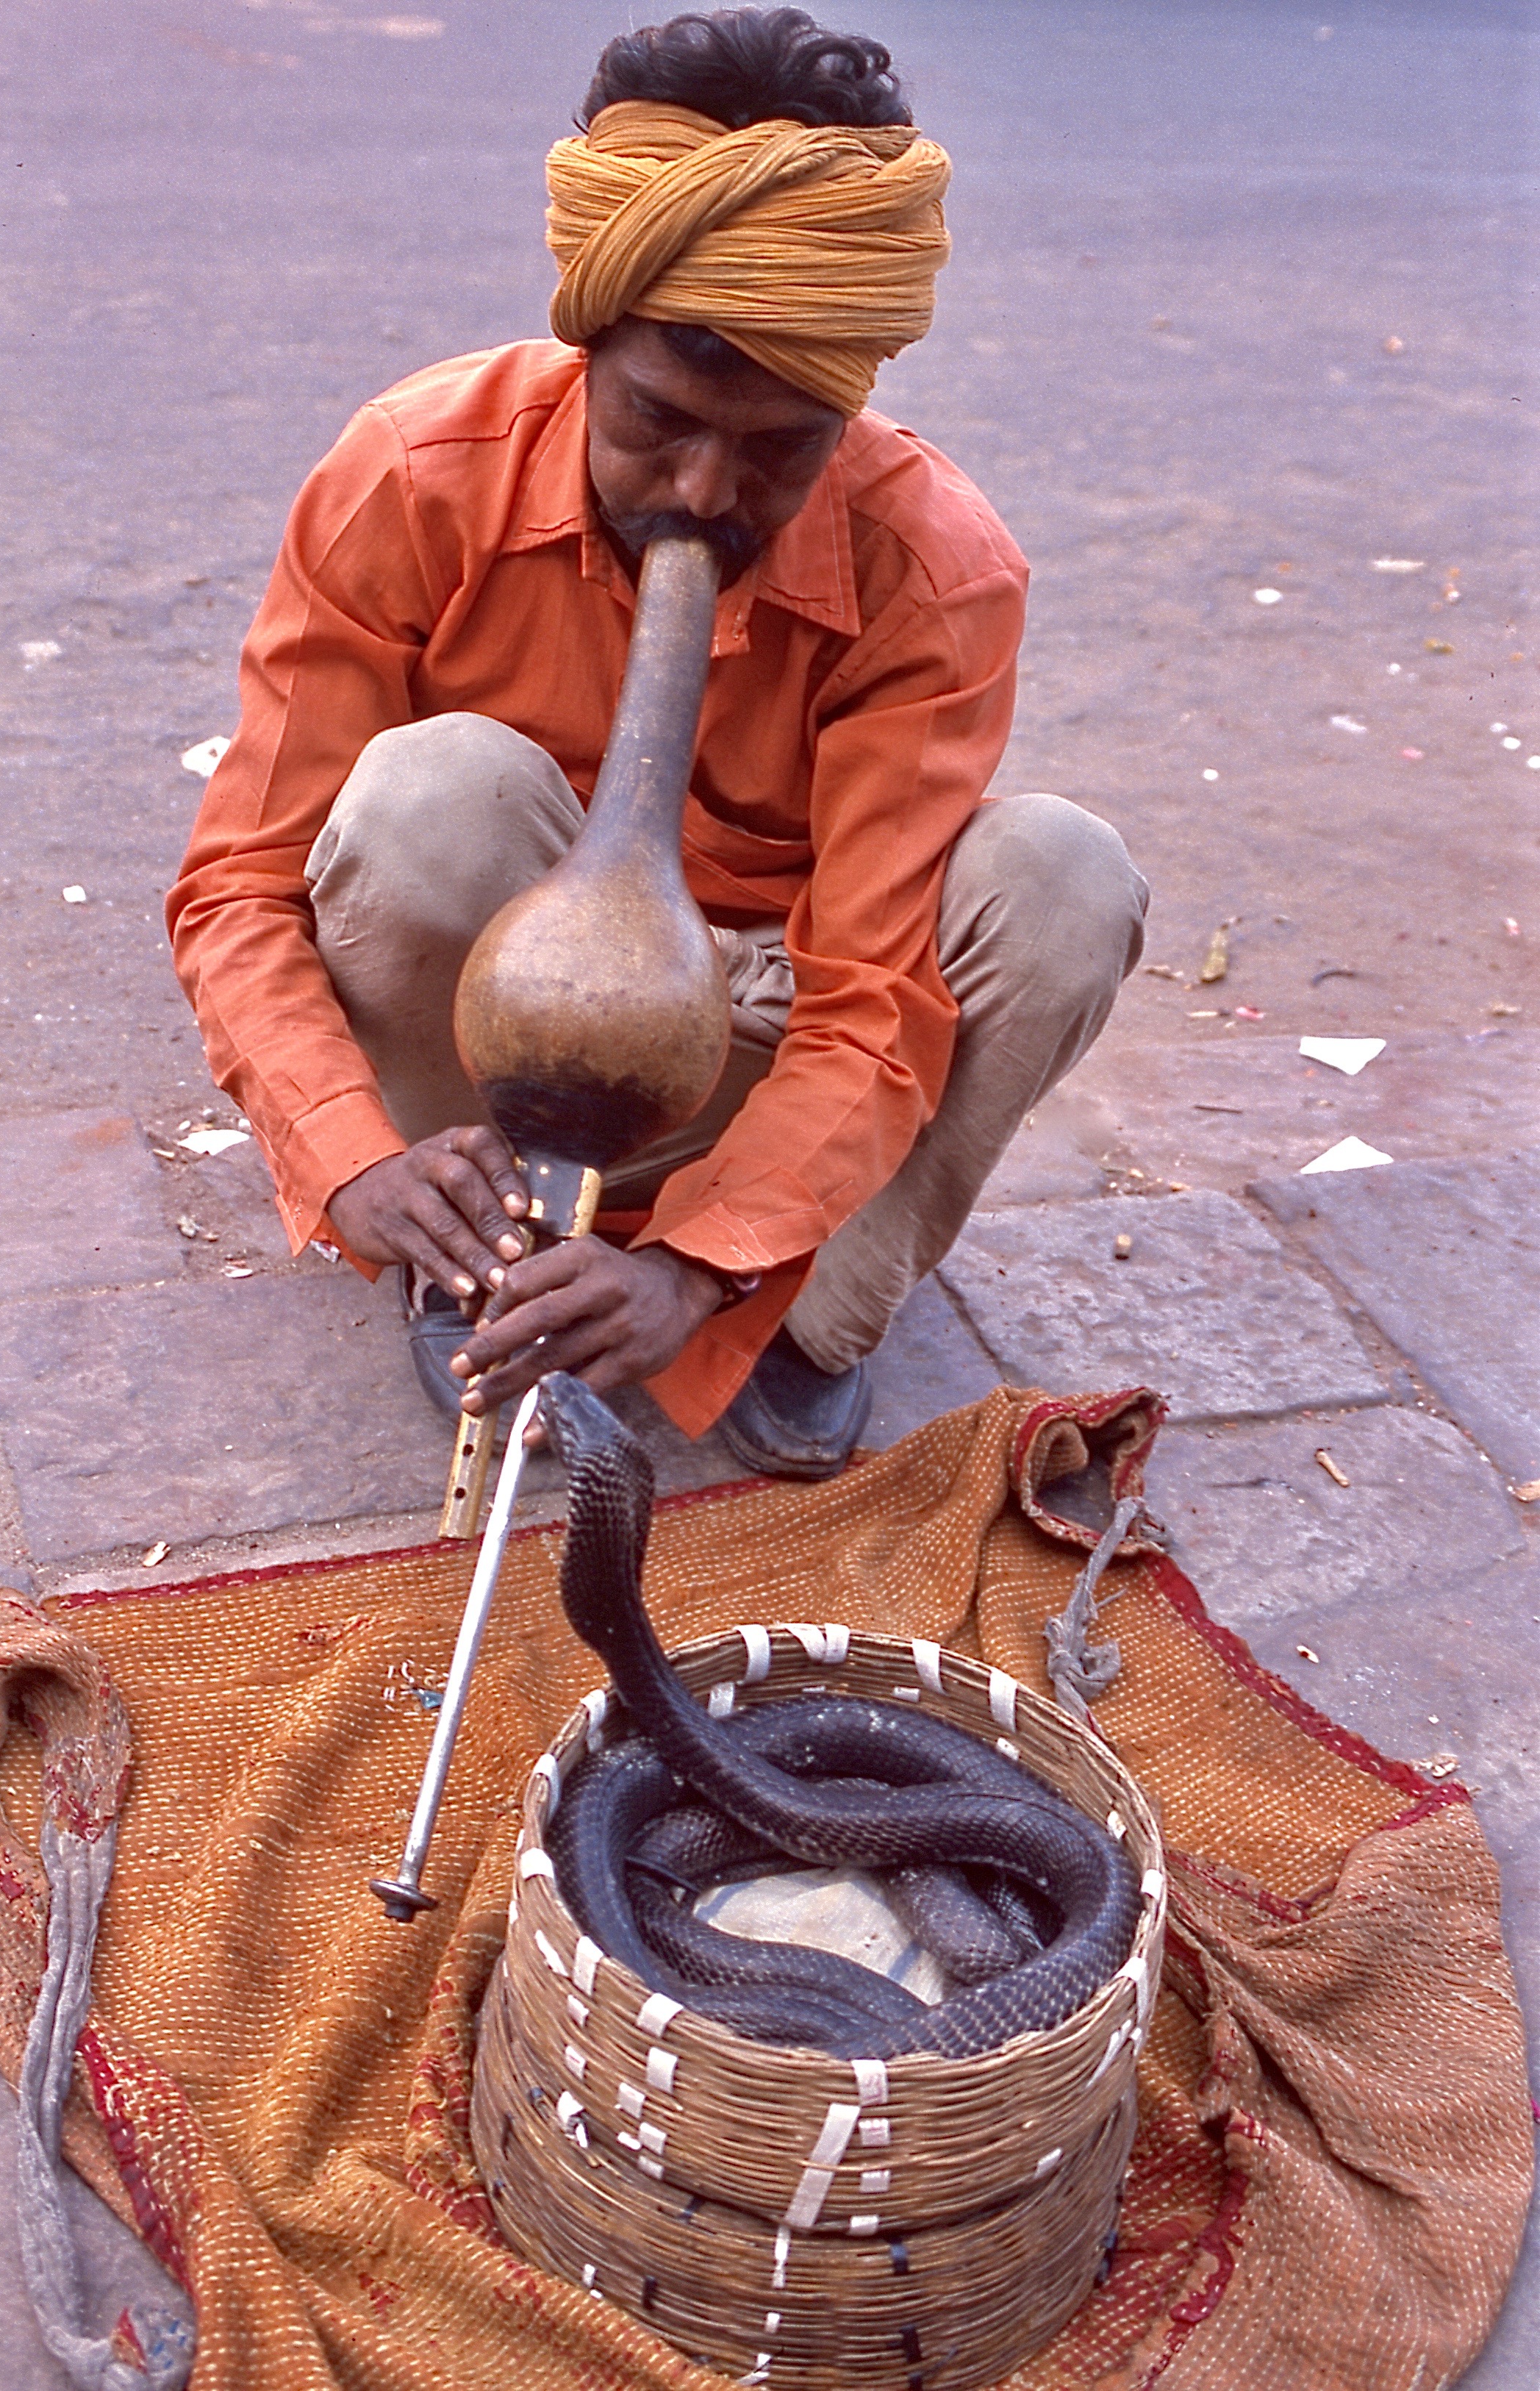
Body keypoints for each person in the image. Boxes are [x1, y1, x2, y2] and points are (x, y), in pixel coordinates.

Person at [168, 7, 1147, 1481]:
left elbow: (868, 1003)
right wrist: (351, 1156)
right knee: (431, 795)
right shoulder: (415, 475)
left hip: (774, 1019)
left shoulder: (935, 569)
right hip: (502, 1028)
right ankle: (478, 1249)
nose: (701, 489)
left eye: (778, 447)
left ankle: (801, 1300)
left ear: (850, 403)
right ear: (588, 340)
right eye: (657, 418)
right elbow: (239, 884)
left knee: (1064, 877)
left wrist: (700, 1269)